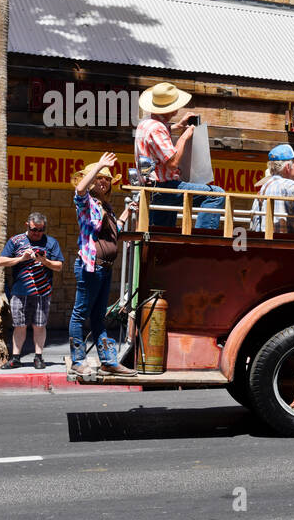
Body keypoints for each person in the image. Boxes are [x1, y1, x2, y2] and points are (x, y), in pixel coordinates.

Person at [69, 153, 137, 377]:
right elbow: (79, 190)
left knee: (98, 318)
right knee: (80, 315)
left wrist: (128, 212)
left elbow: (114, 230)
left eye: (107, 179)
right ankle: (78, 361)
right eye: (99, 177)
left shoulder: (106, 207)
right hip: (92, 266)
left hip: (104, 267)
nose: (103, 181)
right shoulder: (85, 201)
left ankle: (108, 361)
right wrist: (99, 165)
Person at [134, 81, 226, 230]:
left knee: (162, 231)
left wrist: (178, 127)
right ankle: (201, 239)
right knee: (216, 194)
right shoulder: (157, 129)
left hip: (152, 189)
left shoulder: (145, 123)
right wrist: (185, 135)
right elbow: (172, 163)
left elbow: (157, 137)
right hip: (164, 188)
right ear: (174, 108)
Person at [0, 212, 65, 369]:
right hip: (20, 291)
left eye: (41, 230)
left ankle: (39, 357)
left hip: (43, 292)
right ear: (27, 225)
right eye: (34, 229)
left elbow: (59, 266)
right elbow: (1, 261)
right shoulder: (16, 241)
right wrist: (21, 259)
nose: (37, 233)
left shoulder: (51, 242)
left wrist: (44, 260)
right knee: (19, 325)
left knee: (39, 325)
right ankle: (15, 358)